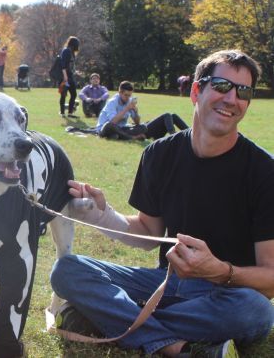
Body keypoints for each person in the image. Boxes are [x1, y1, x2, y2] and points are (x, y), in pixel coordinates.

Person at [50, 50, 274, 357]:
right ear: (196, 91)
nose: (232, 99)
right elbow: (146, 231)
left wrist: (219, 270)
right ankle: (173, 345)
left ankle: (107, 321)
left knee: (255, 309)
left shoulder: (265, 171)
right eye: (222, 86)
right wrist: (101, 214)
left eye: (243, 92)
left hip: (227, 293)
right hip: (165, 283)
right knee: (68, 270)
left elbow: (271, 278)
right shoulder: (159, 154)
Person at [97, 81, 188, 141]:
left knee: (143, 127)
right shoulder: (112, 102)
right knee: (110, 126)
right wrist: (126, 109)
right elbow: (113, 122)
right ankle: (132, 138)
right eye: (126, 95)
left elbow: (137, 122)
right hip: (106, 129)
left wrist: (135, 112)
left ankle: (189, 133)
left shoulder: (129, 101)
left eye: (130, 95)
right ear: (120, 92)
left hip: (122, 129)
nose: (128, 97)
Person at [58, 36, 80, 117]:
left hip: (70, 76)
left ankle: (70, 113)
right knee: (63, 94)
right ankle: (62, 112)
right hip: (65, 76)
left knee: (73, 94)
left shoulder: (72, 52)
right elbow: (63, 65)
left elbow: (70, 65)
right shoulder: (66, 51)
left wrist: (76, 72)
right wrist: (65, 77)